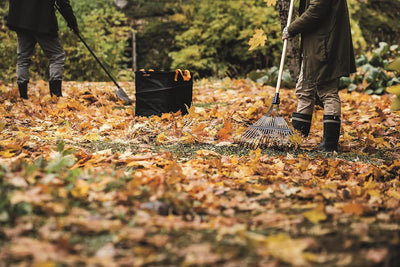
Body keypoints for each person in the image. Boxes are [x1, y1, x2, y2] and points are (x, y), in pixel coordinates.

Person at [282, 0, 356, 152]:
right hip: (317, 45)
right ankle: (296, 140)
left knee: (327, 91)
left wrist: (291, 29)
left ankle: (329, 145)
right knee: (304, 90)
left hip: (324, 46)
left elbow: (317, 10)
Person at [7, 0, 79, 99]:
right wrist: (73, 23)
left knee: (23, 58)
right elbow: (63, 2)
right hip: (43, 20)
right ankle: (56, 96)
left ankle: (23, 97)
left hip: (21, 19)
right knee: (57, 56)